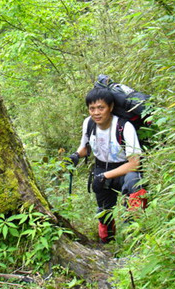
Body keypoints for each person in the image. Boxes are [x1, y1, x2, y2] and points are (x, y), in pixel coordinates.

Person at [68, 87, 147, 243]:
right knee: (104, 212)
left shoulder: (124, 127)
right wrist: (76, 155)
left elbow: (135, 163)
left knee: (134, 183)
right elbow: (85, 147)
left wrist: (105, 176)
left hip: (124, 169)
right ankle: (107, 244)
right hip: (101, 168)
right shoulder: (88, 123)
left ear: (110, 107)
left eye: (101, 108)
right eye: (92, 108)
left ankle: (135, 238)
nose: (96, 112)